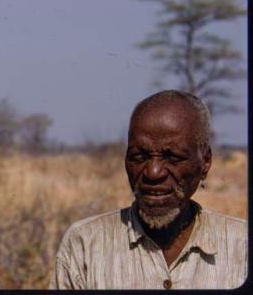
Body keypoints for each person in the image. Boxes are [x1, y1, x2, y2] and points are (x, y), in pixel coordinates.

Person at [49, 90, 247, 289]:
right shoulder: (85, 243)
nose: (153, 173)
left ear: (205, 162)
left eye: (173, 157)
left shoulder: (242, 245)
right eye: (139, 156)